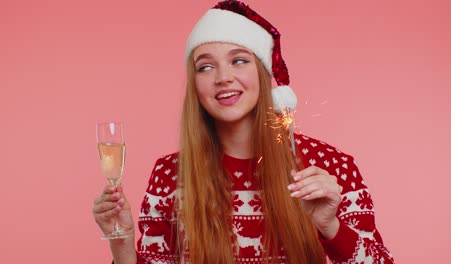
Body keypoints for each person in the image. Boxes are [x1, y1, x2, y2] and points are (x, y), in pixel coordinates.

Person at [92, 1, 394, 263]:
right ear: (194, 85)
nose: (223, 77)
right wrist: (122, 243)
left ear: (263, 74)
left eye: (239, 61)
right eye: (205, 67)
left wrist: (330, 227)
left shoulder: (330, 167)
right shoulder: (170, 174)